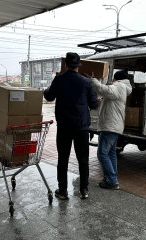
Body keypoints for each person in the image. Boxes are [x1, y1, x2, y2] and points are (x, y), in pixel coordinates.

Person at [44, 52, 99, 200]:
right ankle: (84, 190)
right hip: (81, 127)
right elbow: (94, 105)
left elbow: (49, 97)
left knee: (63, 158)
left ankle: (63, 191)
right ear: (78, 66)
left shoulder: (59, 79)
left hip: (64, 127)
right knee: (83, 159)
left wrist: (46, 90)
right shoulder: (86, 82)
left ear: (66, 65)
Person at [84, 69, 132, 190]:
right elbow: (107, 96)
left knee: (102, 153)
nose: (111, 81)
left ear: (116, 78)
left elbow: (104, 90)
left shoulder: (119, 86)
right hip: (113, 126)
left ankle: (112, 181)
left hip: (110, 126)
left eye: (112, 79)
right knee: (111, 153)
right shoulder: (121, 88)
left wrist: (93, 80)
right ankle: (111, 178)